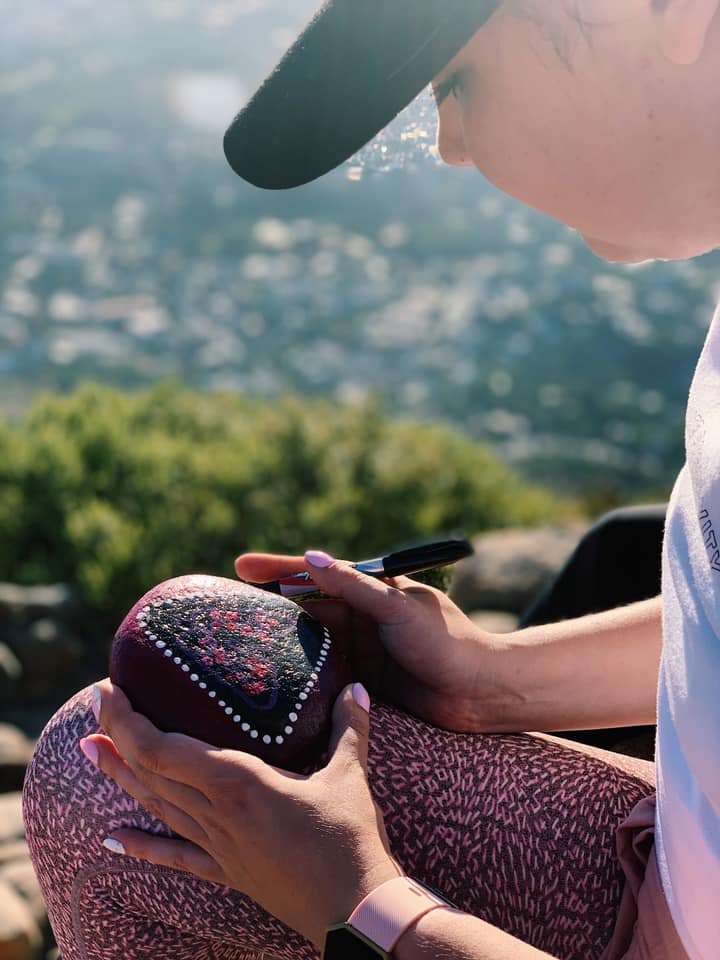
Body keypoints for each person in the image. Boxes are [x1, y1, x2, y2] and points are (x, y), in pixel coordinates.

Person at [21, 0, 720, 957]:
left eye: (456, 84)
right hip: (682, 859)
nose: (453, 147)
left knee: (107, 791)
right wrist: (487, 681)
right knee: (120, 775)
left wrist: (362, 903)